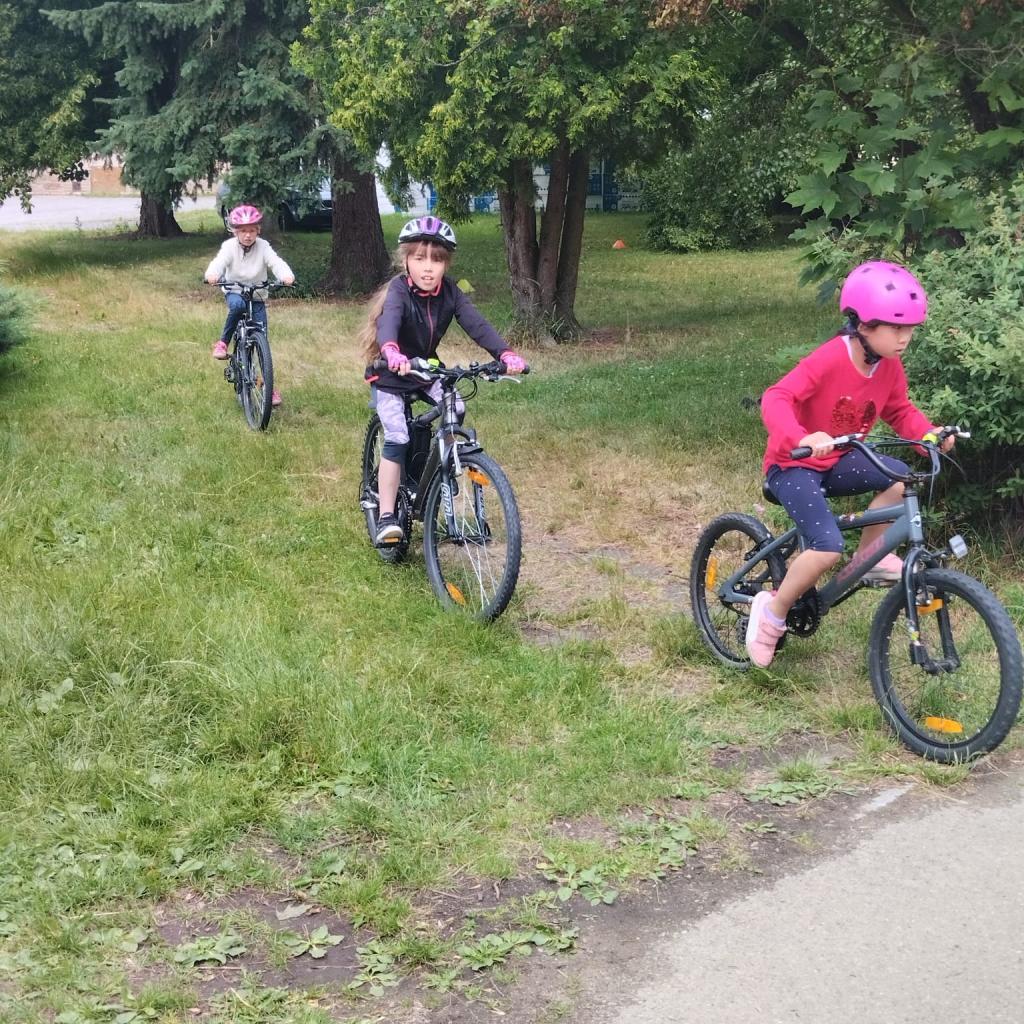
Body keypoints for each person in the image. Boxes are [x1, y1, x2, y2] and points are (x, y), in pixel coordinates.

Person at [746, 259, 955, 668]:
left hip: (839, 459)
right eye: (896, 328)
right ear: (863, 325)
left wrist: (928, 435)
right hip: (794, 465)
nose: (905, 338)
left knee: (901, 478)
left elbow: (899, 409)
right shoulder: (831, 358)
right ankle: (772, 613)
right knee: (826, 547)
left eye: (910, 329)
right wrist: (801, 438)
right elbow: (776, 397)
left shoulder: (888, 365)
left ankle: (869, 561)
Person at [358, 215, 526, 545]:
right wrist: (391, 350)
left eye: (436, 260)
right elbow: (390, 321)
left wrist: (505, 354)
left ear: (446, 264)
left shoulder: (450, 293)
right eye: (419, 258)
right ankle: (387, 514)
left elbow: (477, 324)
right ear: (405, 260)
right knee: (397, 435)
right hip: (392, 372)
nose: (428, 267)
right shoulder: (398, 291)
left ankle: (434, 474)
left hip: (425, 370)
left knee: (456, 408)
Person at [204, 204, 294, 407]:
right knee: (237, 307)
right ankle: (223, 343)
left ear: (258, 231)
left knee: (262, 343)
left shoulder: (263, 246)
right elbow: (219, 262)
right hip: (235, 291)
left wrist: (286, 275)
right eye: (243, 231)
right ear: (235, 231)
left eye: (252, 230)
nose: (248, 235)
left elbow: (275, 262)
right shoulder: (229, 247)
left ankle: (268, 387)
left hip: (257, 295)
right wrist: (212, 274)